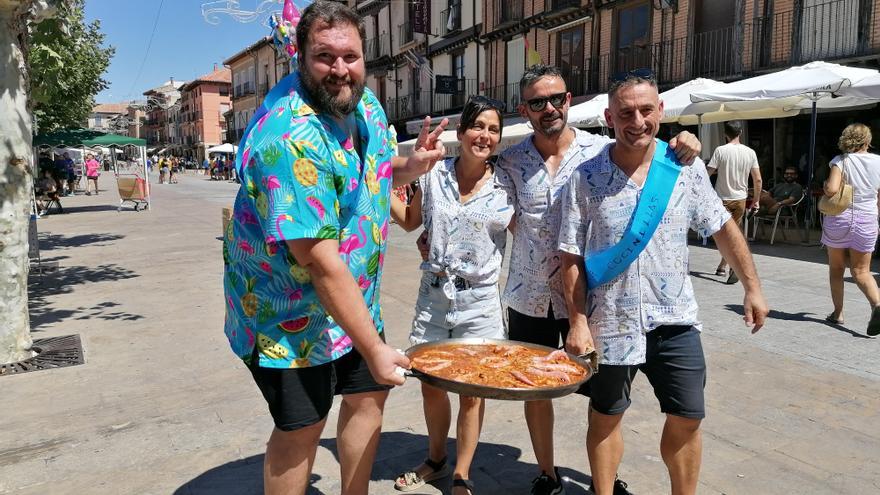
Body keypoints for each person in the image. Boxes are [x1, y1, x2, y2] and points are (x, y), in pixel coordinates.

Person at [222, 2, 447, 494]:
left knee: (368, 400)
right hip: (286, 315)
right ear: (300, 57)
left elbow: (370, 177)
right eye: (325, 57)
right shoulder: (288, 138)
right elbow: (321, 264)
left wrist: (411, 168)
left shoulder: (363, 104)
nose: (340, 69)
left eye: (351, 55)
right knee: (302, 429)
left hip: (355, 303)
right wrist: (377, 349)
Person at [489, 65, 701, 495]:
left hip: (591, 297)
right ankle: (546, 473)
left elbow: (649, 152)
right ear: (523, 109)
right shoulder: (509, 161)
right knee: (535, 392)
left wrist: (686, 141)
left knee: (604, 400)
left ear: (570, 101)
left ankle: (607, 479)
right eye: (537, 102)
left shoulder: (599, 150)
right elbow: (476, 197)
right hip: (529, 295)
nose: (549, 108)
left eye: (557, 99)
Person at [558, 72, 768, 495]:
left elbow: (723, 227)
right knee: (605, 415)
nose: (637, 120)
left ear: (661, 111)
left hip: (674, 318)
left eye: (646, 110)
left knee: (688, 415)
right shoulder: (585, 178)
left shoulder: (684, 170)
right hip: (610, 321)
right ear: (608, 118)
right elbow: (571, 257)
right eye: (625, 113)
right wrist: (577, 322)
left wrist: (752, 286)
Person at [389, 96, 512, 495]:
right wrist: (373, 189)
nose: (485, 135)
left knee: (473, 390)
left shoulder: (508, 184)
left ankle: (461, 473)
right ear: (461, 133)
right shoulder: (433, 173)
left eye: (493, 129)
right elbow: (410, 221)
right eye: (478, 126)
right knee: (431, 382)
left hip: (480, 300)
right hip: (434, 295)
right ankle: (436, 458)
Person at [821, 123, 880, 335]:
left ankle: (838, 313)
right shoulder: (879, 162)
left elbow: (832, 189)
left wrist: (827, 185)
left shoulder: (840, 161)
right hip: (867, 220)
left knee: (837, 268)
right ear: (867, 141)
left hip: (839, 219)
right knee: (862, 271)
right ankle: (877, 304)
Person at [707, 121, 762, 285]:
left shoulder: (720, 151)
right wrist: (756, 201)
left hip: (721, 199)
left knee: (724, 236)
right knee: (733, 234)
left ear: (725, 134)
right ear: (740, 133)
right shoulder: (750, 152)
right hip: (740, 199)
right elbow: (757, 179)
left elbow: (707, 173)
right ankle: (723, 266)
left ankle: (733, 266)